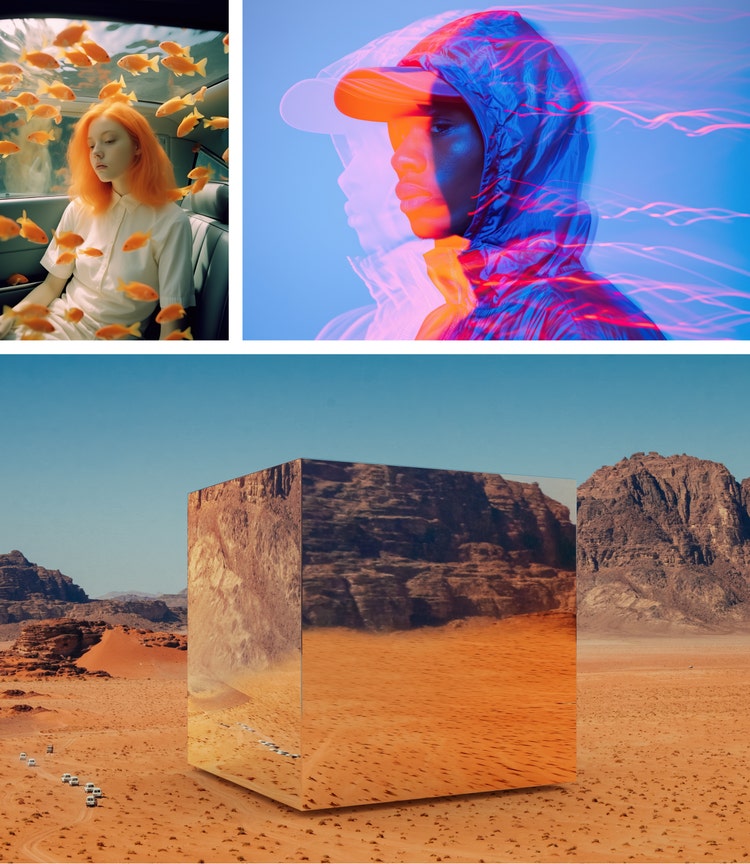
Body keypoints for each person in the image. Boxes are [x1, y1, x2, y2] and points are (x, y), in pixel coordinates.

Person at [333, 9, 666, 340]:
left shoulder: (576, 329)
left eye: (439, 126)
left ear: (517, 144)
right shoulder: (445, 325)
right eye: (398, 133)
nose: (402, 158)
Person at [0, 100, 193, 340]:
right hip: (56, 324)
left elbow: (172, 317)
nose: (97, 152)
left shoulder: (171, 222)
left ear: (138, 146)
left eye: (109, 141)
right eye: (91, 145)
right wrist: (7, 319)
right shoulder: (79, 207)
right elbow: (51, 286)